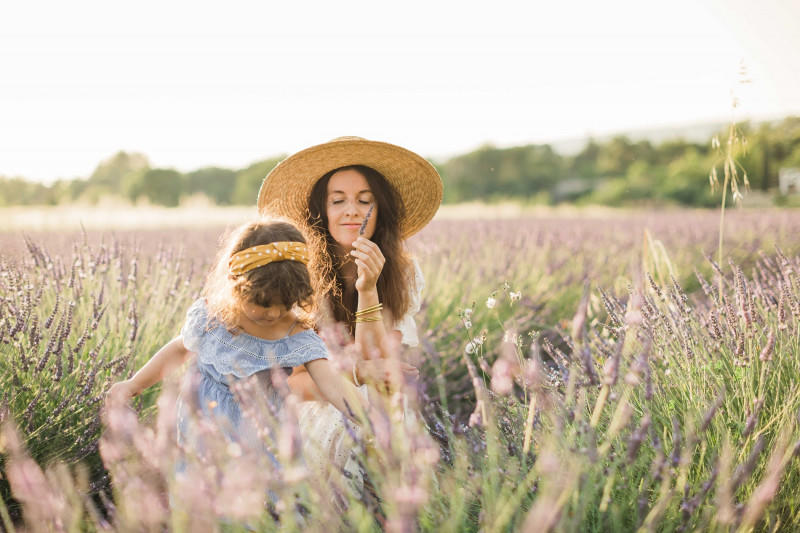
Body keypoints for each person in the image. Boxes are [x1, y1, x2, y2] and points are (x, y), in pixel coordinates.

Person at [107, 217, 367, 469]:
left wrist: (371, 417)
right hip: (204, 437)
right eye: (263, 305)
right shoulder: (214, 320)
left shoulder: (295, 333)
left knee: (265, 505)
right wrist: (134, 384)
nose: (274, 314)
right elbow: (178, 350)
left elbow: (330, 381)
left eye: (286, 305)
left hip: (264, 444)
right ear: (237, 288)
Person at [257, 137, 443, 481]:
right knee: (356, 442)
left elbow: (385, 371)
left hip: (382, 403)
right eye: (338, 200)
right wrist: (357, 375)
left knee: (399, 446)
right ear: (321, 211)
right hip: (316, 407)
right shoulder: (298, 275)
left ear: (380, 211)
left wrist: (368, 289)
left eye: (364, 201)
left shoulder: (403, 273)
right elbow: (295, 384)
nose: (352, 211)